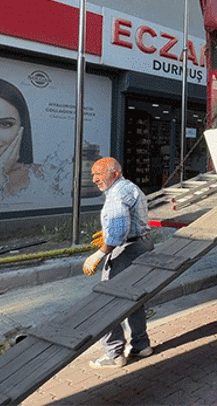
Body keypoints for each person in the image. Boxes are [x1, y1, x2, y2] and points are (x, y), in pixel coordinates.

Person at [83, 157, 154, 369]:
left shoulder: (116, 195)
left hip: (126, 251)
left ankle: (114, 354)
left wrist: (99, 253)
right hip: (142, 245)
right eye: (93, 174)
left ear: (114, 173)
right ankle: (141, 346)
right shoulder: (130, 188)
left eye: (99, 174)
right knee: (133, 300)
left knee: (107, 302)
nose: (95, 179)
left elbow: (116, 234)